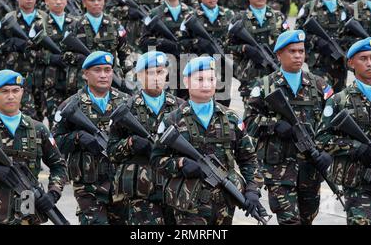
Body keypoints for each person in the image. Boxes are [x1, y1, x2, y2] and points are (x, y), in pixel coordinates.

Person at [151, 56, 266, 225]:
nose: (206, 84)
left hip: (224, 205)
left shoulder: (231, 118)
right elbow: (156, 160)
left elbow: (248, 158)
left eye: (211, 79)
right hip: (188, 207)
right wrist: (181, 163)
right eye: (199, 79)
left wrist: (252, 189)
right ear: (186, 81)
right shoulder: (172, 120)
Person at [0, 69, 68, 225]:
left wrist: (53, 193)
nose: (11, 96)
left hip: (27, 211)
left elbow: (59, 166)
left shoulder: (38, 129)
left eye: (16, 90)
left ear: (22, 92)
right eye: (4, 91)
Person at [244, 30, 334, 225]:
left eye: (301, 51)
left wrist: (327, 153)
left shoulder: (319, 85)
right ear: (279, 55)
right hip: (279, 169)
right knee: (289, 221)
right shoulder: (265, 86)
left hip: (310, 168)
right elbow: (248, 121)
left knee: (306, 219)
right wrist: (274, 126)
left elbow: (332, 125)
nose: (298, 56)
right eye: (292, 51)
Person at [315, 37, 371, 225]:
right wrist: (355, 147)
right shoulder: (339, 100)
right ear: (351, 63)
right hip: (356, 182)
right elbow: (321, 139)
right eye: (363, 58)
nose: (370, 63)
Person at [52, 51, 129, 224]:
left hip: (121, 184)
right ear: (85, 74)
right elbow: (54, 143)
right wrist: (77, 137)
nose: (103, 75)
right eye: (97, 70)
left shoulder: (126, 102)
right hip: (88, 186)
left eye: (108, 70)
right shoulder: (70, 106)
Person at [108, 51, 183, 225]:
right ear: (139, 76)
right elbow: (111, 152)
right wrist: (130, 143)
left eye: (160, 72)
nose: (155, 77)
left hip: (174, 188)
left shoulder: (181, 108)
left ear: (166, 74)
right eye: (149, 73)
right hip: (142, 192)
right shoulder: (126, 109)